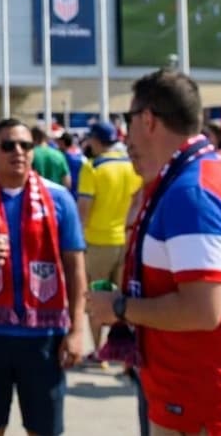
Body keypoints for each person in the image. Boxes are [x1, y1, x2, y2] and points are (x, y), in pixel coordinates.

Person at [87, 69, 221, 435]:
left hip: (207, 407)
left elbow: (203, 310)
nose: (126, 138)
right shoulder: (197, 178)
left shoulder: (192, 192)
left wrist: (120, 307)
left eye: (128, 120)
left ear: (148, 119)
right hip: (204, 401)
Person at [0, 118, 87, 436]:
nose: (18, 152)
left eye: (25, 145)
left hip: (44, 337)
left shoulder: (59, 199)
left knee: (44, 429)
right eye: (8, 145)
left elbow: (75, 268)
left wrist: (76, 331)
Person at [74, 122, 142, 363]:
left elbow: (84, 209)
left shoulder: (92, 168)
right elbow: (138, 200)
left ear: (96, 140)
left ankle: (99, 351)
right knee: (126, 299)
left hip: (99, 241)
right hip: (126, 240)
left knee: (96, 297)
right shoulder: (132, 166)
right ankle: (128, 353)